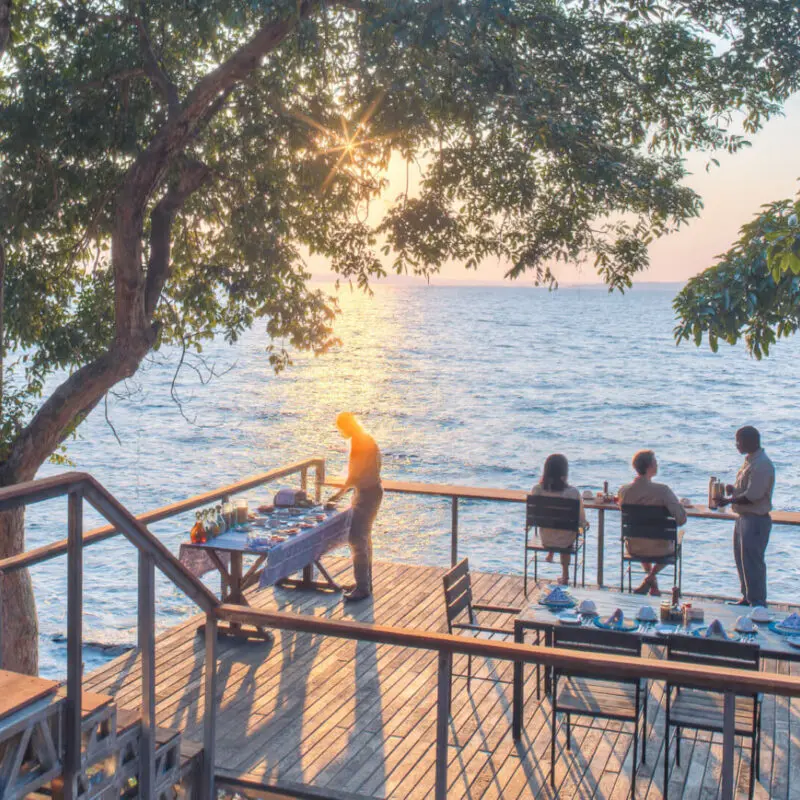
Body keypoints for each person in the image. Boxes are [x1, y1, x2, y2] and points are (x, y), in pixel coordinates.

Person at [328, 412, 383, 602]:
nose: (340, 432)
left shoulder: (359, 443)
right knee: (365, 538)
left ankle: (362, 588)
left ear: (347, 426)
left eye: (340, 428)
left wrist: (336, 496)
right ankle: (365, 582)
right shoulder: (367, 438)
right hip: (373, 490)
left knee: (356, 538)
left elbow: (354, 476)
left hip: (366, 493)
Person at [717, 426, 775, 607]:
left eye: (739, 441)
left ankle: (757, 602)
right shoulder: (750, 461)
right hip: (743, 518)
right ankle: (747, 596)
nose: (737, 445)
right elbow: (747, 490)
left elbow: (753, 496)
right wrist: (733, 492)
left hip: (755, 519)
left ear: (750, 441)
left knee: (753, 562)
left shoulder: (762, 464)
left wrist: (728, 501)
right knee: (742, 561)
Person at [618, 449, 687, 596]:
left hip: (634, 546)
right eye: (655, 462)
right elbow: (681, 519)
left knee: (642, 534)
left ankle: (652, 584)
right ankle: (651, 578)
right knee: (674, 541)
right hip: (660, 549)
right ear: (650, 467)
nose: (657, 465)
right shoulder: (663, 491)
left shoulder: (624, 491)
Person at [530, 454, 588, 585]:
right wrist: (585, 524)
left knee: (555, 524)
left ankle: (551, 553)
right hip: (565, 540)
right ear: (565, 473)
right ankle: (565, 575)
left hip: (546, 538)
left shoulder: (537, 489)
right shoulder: (572, 492)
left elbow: (535, 515)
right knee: (567, 532)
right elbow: (581, 520)